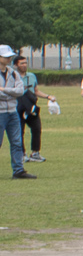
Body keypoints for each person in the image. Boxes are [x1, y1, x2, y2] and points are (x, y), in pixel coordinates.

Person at [0, 46, 28, 179]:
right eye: (6, 56)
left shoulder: (13, 73)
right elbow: (15, 92)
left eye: (9, 56)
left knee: (17, 142)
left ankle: (18, 170)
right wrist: (11, 92)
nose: (9, 58)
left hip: (12, 112)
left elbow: (20, 91)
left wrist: (4, 90)